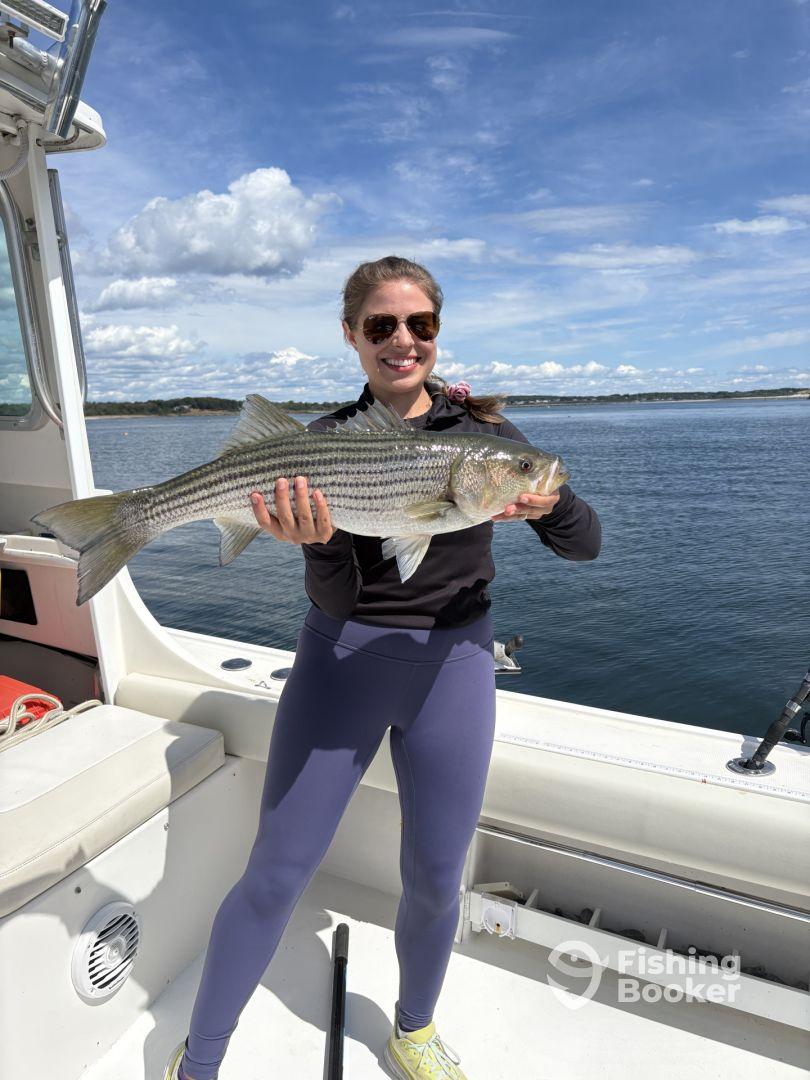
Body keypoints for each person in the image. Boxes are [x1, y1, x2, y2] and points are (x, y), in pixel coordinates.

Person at [164, 255, 601, 1080]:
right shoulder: (321, 445)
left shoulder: (490, 444)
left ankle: (414, 1028)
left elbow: (585, 545)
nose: (403, 341)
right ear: (353, 336)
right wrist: (318, 538)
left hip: (457, 671)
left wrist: (555, 502)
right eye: (382, 326)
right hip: (344, 663)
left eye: (421, 325)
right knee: (275, 874)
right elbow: (337, 595)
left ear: (438, 333)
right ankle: (201, 1059)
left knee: (438, 879)